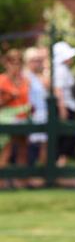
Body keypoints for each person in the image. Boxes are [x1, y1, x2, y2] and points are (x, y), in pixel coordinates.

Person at [0, 49, 30, 188]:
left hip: (23, 118)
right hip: (6, 119)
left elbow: (26, 99)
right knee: (7, 150)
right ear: (7, 64)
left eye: (18, 63)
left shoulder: (25, 81)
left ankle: (21, 181)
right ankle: (2, 181)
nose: (15, 66)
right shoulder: (2, 80)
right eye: (13, 63)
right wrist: (9, 96)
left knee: (23, 149)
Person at [52, 41, 75, 167]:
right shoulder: (60, 70)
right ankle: (59, 169)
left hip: (68, 107)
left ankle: (61, 167)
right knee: (65, 141)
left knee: (69, 140)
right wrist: (63, 109)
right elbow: (58, 90)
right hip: (65, 109)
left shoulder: (63, 69)